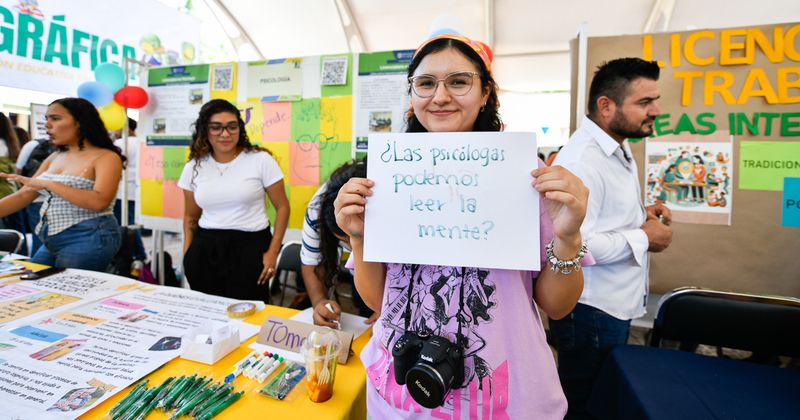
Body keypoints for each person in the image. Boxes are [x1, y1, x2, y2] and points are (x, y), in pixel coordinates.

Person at [334, 34, 589, 418]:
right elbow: (376, 301)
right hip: (401, 395)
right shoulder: (387, 180)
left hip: (503, 399)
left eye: (458, 81)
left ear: (486, 92)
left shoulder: (527, 179)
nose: (440, 96)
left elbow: (556, 305)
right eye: (425, 83)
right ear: (412, 95)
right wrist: (357, 236)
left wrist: (568, 237)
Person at [550, 57, 673, 419]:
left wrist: (640, 215)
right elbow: (576, 243)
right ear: (606, 106)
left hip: (610, 306)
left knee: (599, 397)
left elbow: (603, 217)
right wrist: (643, 236)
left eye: (655, 99)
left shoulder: (615, 143)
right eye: (645, 102)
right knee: (584, 403)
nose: (656, 110)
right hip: (592, 310)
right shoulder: (583, 160)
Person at [178, 99, 289, 301]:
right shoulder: (194, 166)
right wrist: (188, 255)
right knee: (207, 312)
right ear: (205, 130)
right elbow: (190, 217)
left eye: (232, 126)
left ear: (240, 128)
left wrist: (273, 253)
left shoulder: (260, 160)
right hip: (205, 250)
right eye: (216, 128)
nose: (225, 134)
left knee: (250, 314)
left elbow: (283, 208)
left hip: (250, 248)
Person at [0, 98, 124, 270]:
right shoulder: (55, 157)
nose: (47, 125)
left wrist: (50, 184)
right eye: (47, 119)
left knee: (68, 294)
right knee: (36, 285)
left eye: (55, 118)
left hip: (88, 236)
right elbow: (24, 194)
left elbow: (99, 202)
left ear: (80, 122)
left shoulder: (106, 157)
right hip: (52, 236)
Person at [300, 158, 376, 328]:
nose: (353, 246)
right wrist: (320, 301)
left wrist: (391, 305)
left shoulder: (392, 202)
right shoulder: (316, 211)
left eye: (359, 237)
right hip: (363, 277)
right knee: (368, 316)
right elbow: (311, 262)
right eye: (345, 242)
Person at [112, 118, 146, 262]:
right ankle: (139, 253)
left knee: (125, 224)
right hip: (137, 190)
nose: (115, 132)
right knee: (131, 222)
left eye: (117, 128)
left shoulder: (120, 144)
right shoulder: (141, 142)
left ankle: (138, 253)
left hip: (122, 191)